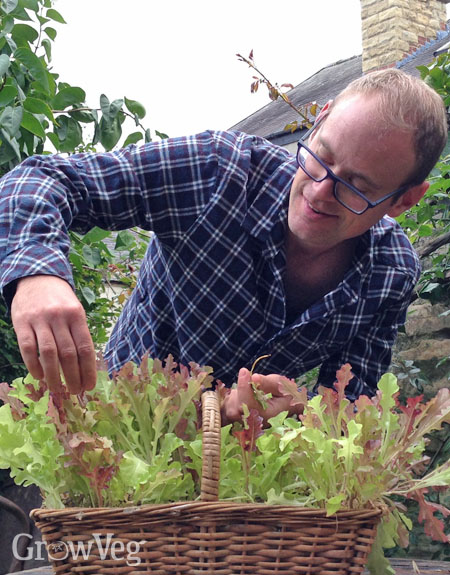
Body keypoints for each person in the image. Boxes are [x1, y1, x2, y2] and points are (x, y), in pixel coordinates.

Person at [0, 69, 447, 422]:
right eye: (320, 157)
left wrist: (299, 409)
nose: (318, 192)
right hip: (120, 445)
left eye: (357, 187)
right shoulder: (217, 172)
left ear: (405, 200)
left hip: (239, 496)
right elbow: (44, 178)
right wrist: (37, 274)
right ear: (321, 117)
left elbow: (350, 411)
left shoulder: (391, 273)